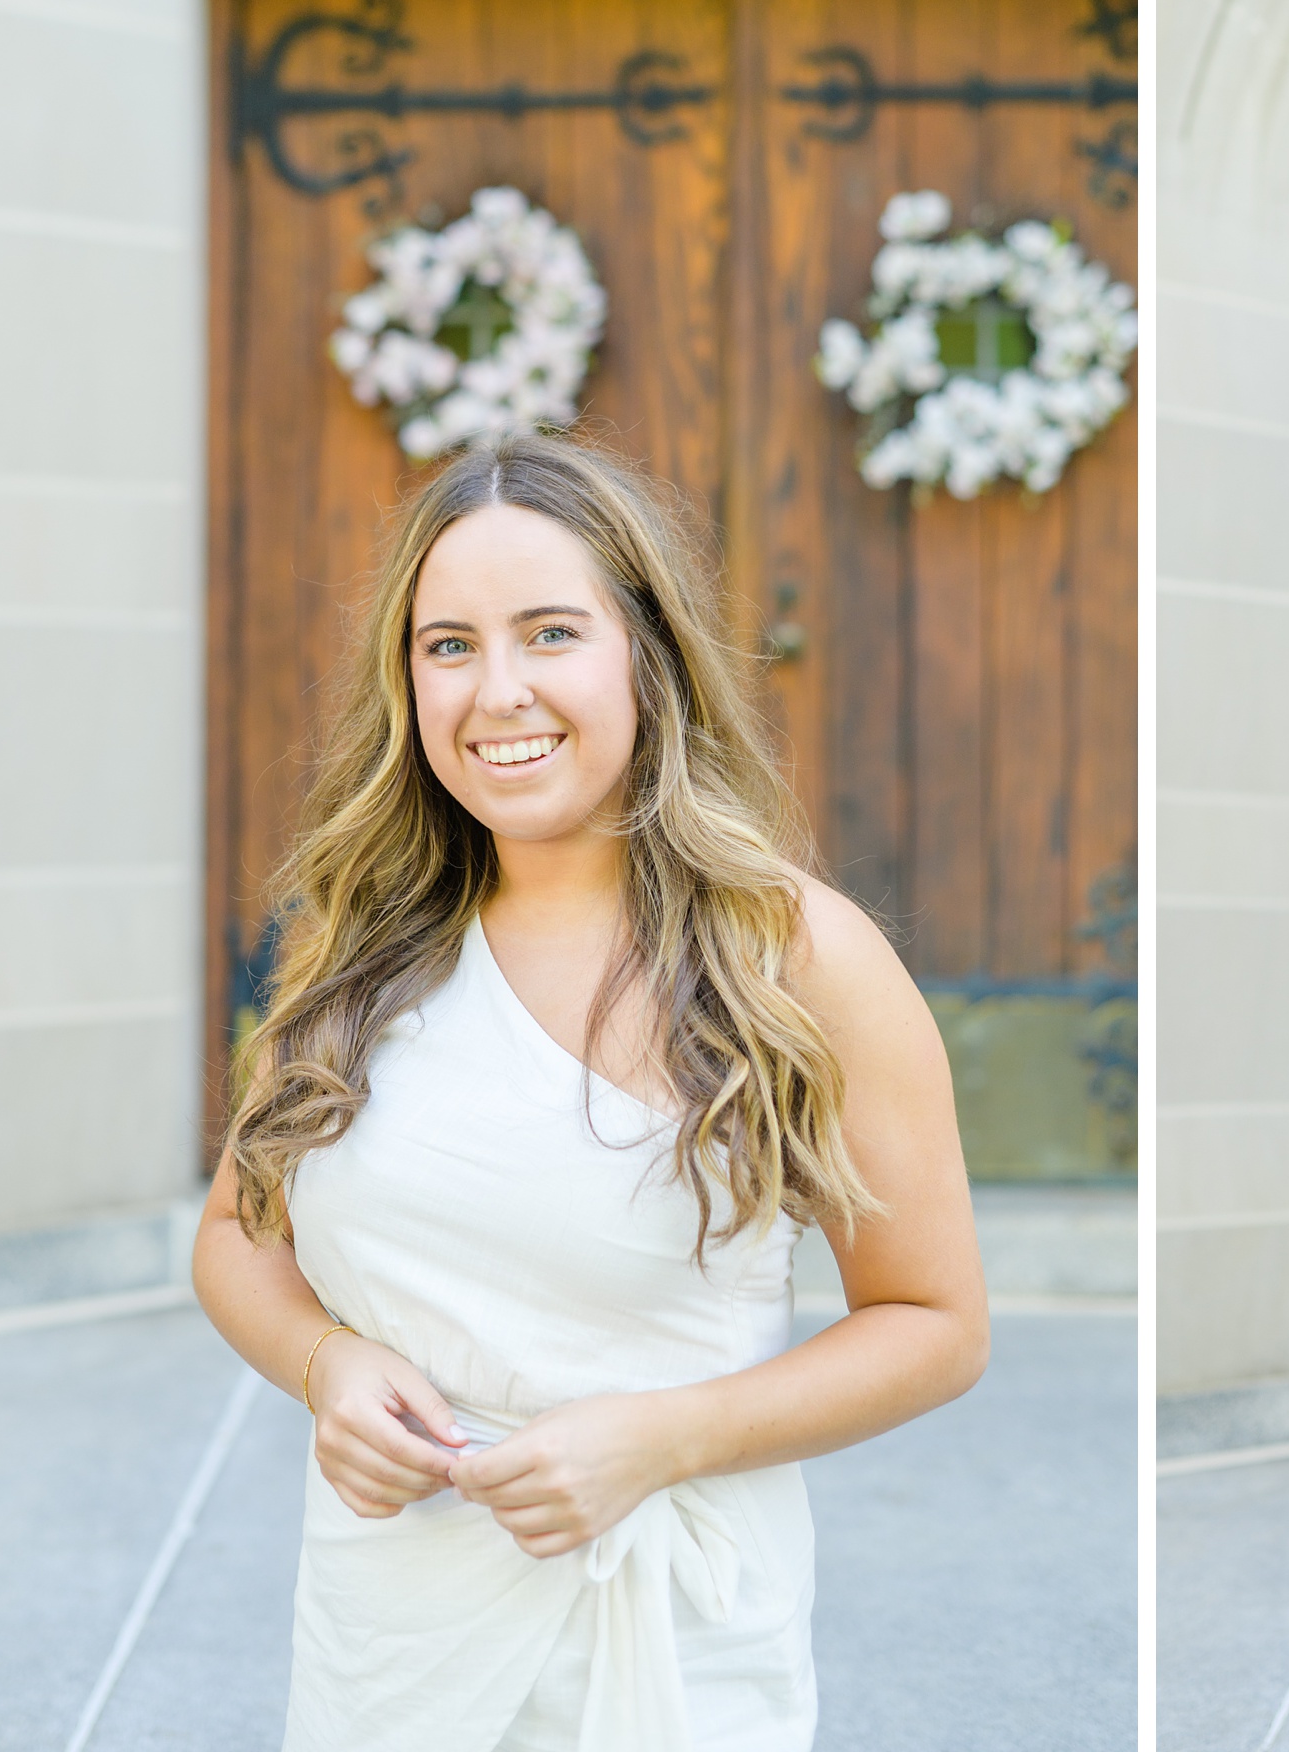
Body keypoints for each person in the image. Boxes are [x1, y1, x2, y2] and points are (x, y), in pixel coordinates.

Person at [193, 433, 989, 1751]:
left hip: (671, 1656)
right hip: (387, 1641)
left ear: (644, 655)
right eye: (448, 646)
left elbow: (936, 1323)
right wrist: (324, 1362)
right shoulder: (358, 941)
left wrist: (664, 1439)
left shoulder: (792, 954)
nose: (496, 690)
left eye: (549, 633)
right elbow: (234, 1234)